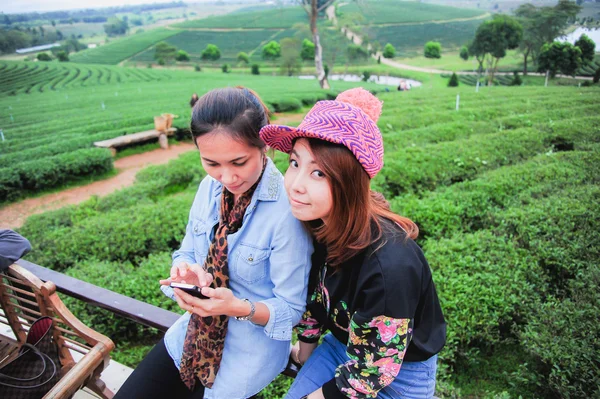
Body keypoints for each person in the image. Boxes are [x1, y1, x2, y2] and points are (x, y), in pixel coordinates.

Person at [115, 87, 313, 399]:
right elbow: (187, 250)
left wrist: (237, 307)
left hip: (247, 355)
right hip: (190, 337)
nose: (227, 177)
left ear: (263, 145)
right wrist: (185, 272)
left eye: (238, 162)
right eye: (211, 163)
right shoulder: (209, 189)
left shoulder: (287, 212)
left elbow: (291, 310)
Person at [260, 88, 446, 399]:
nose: (295, 185)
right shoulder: (315, 222)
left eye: (318, 172)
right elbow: (316, 298)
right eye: (294, 163)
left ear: (350, 182)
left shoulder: (390, 267)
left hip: (399, 373)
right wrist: (306, 351)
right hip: (341, 345)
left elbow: (374, 370)